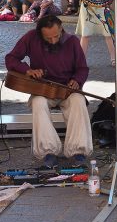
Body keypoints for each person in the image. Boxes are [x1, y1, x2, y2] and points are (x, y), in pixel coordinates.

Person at [5, 16, 92, 168]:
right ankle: (48, 152)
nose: (53, 41)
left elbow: (82, 68)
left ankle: (78, 151)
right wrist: (28, 70)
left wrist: (77, 80)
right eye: (48, 38)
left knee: (78, 101)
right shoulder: (31, 37)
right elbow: (11, 59)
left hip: (67, 90)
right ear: (40, 34)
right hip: (43, 89)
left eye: (56, 36)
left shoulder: (72, 41)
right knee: (38, 102)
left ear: (61, 29)